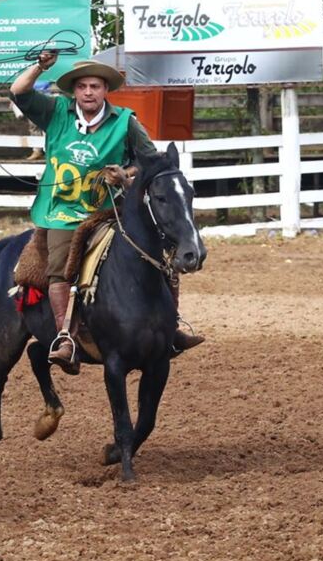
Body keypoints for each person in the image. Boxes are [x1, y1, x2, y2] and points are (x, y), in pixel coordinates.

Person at [10, 50, 204, 373]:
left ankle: (170, 329)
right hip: (62, 211)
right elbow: (18, 91)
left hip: (110, 210)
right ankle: (64, 338)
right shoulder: (55, 112)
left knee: (160, 255)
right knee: (59, 264)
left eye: (96, 86)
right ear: (74, 90)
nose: (89, 92)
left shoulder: (126, 122)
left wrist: (126, 175)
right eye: (83, 86)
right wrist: (40, 67)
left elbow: (150, 164)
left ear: (105, 91)